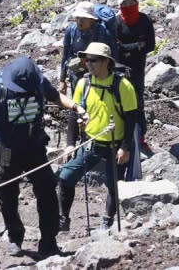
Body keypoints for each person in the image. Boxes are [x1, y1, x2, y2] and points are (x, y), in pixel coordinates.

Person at [0, 57, 80, 257]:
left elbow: (55, 96)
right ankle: (15, 235)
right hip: (7, 149)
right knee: (7, 194)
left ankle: (48, 242)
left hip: (34, 146)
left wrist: (75, 107)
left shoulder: (39, 83)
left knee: (47, 192)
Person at [57, 42, 138, 230]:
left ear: (106, 62)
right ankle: (63, 219)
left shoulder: (123, 86)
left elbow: (131, 119)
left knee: (113, 185)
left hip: (115, 144)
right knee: (66, 177)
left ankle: (107, 220)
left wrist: (125, 147)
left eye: (93, 60)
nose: (88, 63)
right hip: (90, 143)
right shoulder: (83, 83)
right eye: (86, 60)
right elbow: (73, 113)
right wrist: (70, 143)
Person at [60, 2, 119, 149]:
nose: (80, 21)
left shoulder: (102, 32)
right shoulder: (71, 31)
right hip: (77, 77)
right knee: (77, 106)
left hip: (98, 77)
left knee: (95, 104)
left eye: (83, 18)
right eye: (78, 18)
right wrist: (62, 79)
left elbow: (110, 55)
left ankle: (94, 135)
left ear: (92, 20)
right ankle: (76, 140)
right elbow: (65, 55)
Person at [113, 0, 155, 153]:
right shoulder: (116, 23)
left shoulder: (144, 20)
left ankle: (140, 137)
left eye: (132, 2)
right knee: (121, 103)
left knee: (138, 103)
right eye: (125, 3)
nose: (129, 6)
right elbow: (117, 48)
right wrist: (137, 45)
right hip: (120, 69)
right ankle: (123, 138)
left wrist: (128, 47)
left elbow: (150, 45)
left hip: (137, 69)